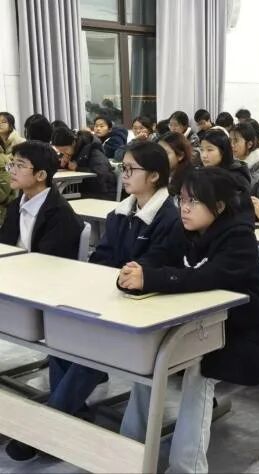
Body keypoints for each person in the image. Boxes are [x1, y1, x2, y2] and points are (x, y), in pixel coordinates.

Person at [4, 141, 179, 461]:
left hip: (149, 309)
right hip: (114, 299)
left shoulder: (170, 218)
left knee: (90, 347)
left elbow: (150, 267)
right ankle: (72, 411)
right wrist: (99, 282)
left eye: (131, 169)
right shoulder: (121, 212)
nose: (124, 175)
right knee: (63, 333)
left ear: (154, 176)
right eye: (123, 168)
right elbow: (103, 256)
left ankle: (48, 426)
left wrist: (113, 282)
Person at [117, 167, 259, 474]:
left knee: (199, 370)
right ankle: (130, 451)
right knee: (149, 358)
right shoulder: (184, 229)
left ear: (218, 206)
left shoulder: (239, 237)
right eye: (181, 199)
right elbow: (158, 255)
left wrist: (150, 278)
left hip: (245, 332)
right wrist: (135, 271)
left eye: (193, 201)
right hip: (195, 327)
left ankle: (186, 468)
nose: (184, 208)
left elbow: (208, 277)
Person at [0, 140, 82, 259]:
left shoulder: (59, 214)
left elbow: (48, 261)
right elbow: (4, 245)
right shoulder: (15, 206)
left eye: (20, 166)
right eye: (12, 164)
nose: (12, 171)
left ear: (41, 175)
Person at [50, 127, 117, 200]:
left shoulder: (92, 150)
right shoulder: (72, 151)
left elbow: (101, 174)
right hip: (85, 190)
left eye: (65, 150)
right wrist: (64, 164)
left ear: (73, 143)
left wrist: (77, 168)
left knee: (61, 199)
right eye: (60, 151)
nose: (63, 153)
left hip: (103, 193)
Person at [0, 112, 24, 224]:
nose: (0, 124)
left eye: (3, 122)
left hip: (17, 183)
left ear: (11, 124)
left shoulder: (20, 142)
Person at [158, 132, 194, 197]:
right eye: (158, 153)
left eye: (165, 153)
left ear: (180, 156)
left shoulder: (190, 181)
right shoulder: (157, 174)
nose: (159, 157)